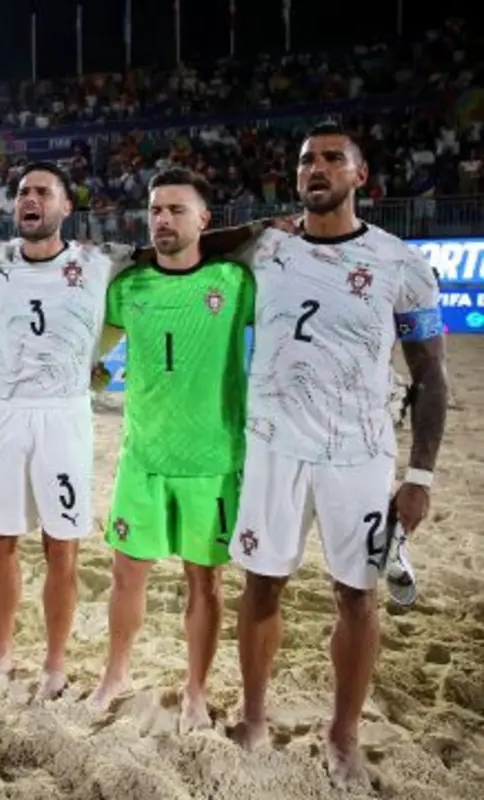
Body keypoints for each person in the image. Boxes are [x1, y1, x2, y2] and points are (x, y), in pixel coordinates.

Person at [225, 123, 448, 787]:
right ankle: (254, 715)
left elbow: (431, 374)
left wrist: (420, 476)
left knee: (357, 594)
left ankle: (343, 733)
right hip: (274, 447)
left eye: (331, 159)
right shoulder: (265, 247)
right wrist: (257, 225)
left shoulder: (400, 263)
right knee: (261, 583)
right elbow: (191, 244)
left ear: (360, 176)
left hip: (359, 454)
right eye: (305, 161)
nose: (316, 169)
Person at [84, 168, 255, 733]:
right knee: (125, 573)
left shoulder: (235, 283)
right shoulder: (129, 288)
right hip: (143, 460)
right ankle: (115, 675)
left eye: (177, 209)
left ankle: (196, 691)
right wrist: (89, 371)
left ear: (204, 219)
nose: (162, 219)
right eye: (156, 209)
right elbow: (92, 352)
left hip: (213, 462)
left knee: (205, 582)